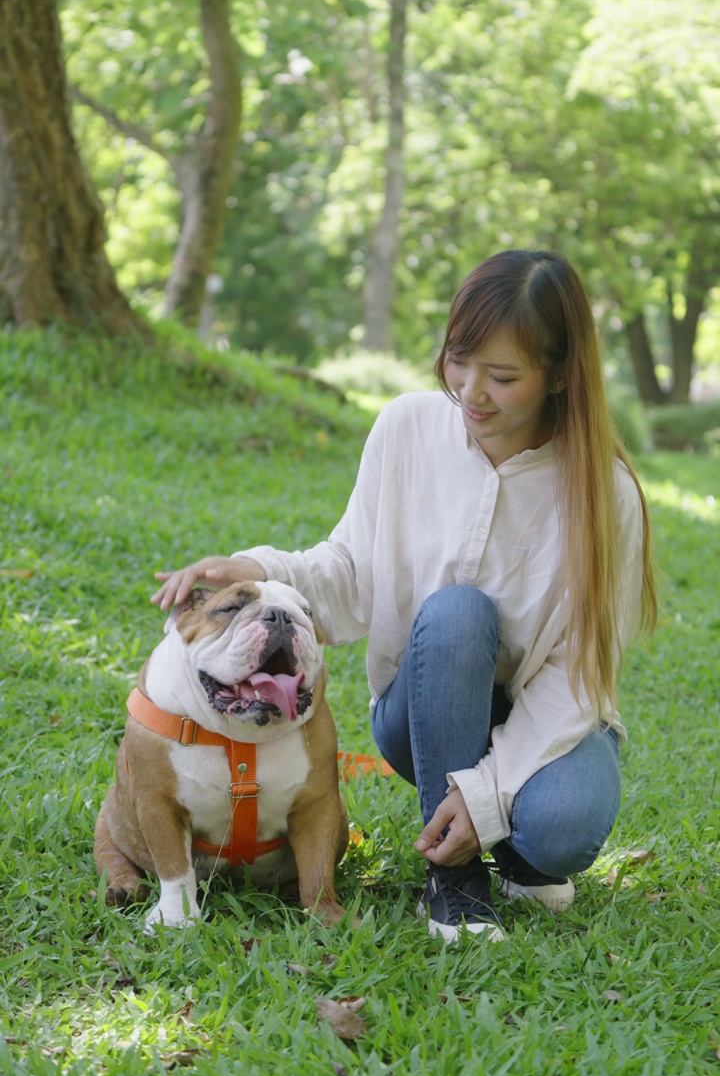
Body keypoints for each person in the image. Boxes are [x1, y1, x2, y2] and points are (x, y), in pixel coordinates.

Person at [153, 249, 656, 943]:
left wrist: (485, 797)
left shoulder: (608, 496)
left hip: (550, 713)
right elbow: (352, 571)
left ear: (562, 373)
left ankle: (512, 845)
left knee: (562, 828)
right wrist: (257, 567)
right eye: (459, 359)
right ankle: (453, 884)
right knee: (455, 613)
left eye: (503, 376)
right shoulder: (408, 429)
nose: (471, 391)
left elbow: (578, 676)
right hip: (425, 706)